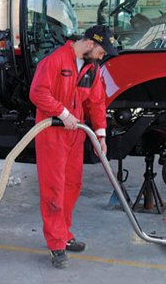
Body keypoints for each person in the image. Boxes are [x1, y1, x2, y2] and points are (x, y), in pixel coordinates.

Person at [29, 25, 118, 269]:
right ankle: (56, 243)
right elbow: (37, 93)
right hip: (52, 134)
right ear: (90, 43)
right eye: (102, 51)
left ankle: (64, 233)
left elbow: (97, 102)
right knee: (53, 189)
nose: (103, 56)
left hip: (75, 134)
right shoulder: (55, 60)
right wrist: (63, 112)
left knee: (72, 185)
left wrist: (100, 135)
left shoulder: (93, 68)